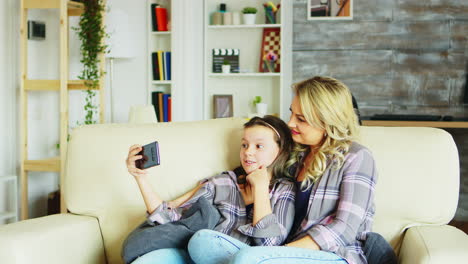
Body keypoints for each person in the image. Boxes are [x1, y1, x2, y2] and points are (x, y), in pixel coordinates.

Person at [187, 76, 379, 264]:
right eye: (291, 114)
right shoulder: (295, 155)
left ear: (327, 121)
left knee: (247, 259)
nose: (290, 124)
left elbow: (344, 229)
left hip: (333, 255)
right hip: (279, 251)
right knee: (202, 243)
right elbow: (242, 177)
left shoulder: (357, 157)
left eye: (301, 119)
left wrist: (279, 254)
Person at [123, 115, 296, 264]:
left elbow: (269, 245)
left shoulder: (284, 190)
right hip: (198, 254)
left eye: (259, 146)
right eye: (244, 145)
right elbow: (168, 217)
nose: (248, 152)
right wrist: (140, 177)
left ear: (280, 151)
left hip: (238, 257)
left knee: (203, 240)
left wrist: (260, 188)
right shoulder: (222, 182)